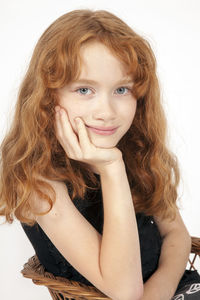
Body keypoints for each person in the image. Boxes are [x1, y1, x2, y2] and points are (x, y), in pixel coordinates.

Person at [0, 9, 200, 300]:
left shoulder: (137, 151)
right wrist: (112, 168)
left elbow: (177, 234)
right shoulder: (38, 181)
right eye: (84, 90)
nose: (106, 112)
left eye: (121, 89)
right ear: (47, 96)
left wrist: (158, 292)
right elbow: (124, 291)